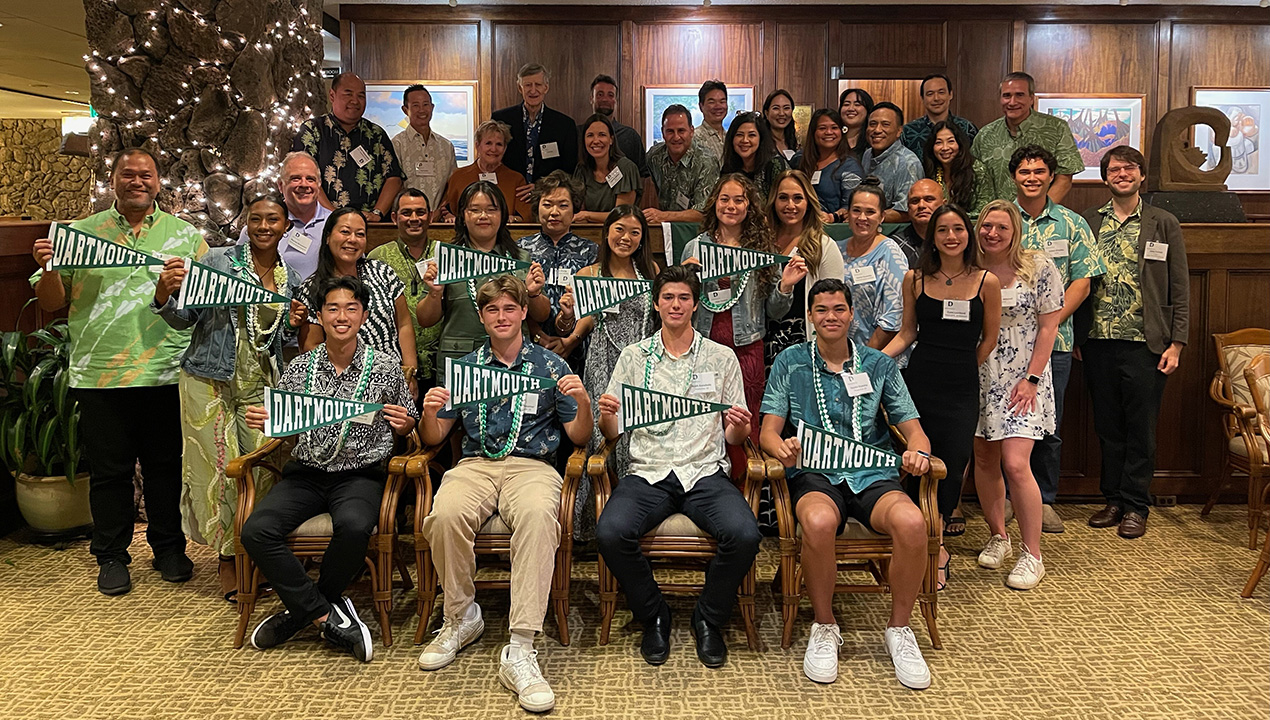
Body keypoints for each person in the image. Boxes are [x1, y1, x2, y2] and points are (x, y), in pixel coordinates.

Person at [30, 147, 207, 596]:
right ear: (113, 180)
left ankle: (169, 548)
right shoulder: (79, 235)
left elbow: (206, 301)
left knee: (166, 468)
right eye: (128, 174)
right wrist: (49, 267)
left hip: (166, 369)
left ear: (158, 182)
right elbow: (52, 300)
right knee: (110, 473)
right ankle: (111, 556)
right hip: (100, 372)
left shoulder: (185, 236)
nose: (137, 181)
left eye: (146, 174)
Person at [417, 274, 591, 714]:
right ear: (481, 316)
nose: (501, 316)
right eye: (492, 310)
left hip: (533, 466)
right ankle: (461, 616)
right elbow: (435, 434)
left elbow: (580, 435)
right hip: (476, 463)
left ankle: (521, 645)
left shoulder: (552, 367)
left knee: (537, 518)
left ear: (521, 313)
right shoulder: (466, 370)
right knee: (443, 516)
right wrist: (430, 411)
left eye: (509, 308)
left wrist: (583, 403)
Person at [760, 277, 935, 689]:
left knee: (913, 523)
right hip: (815, 473)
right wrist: (779, 448)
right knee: (818, 523)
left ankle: (899, 630)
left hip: (871, 472)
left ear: (852, 314)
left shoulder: (879, 365)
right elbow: (767, 432)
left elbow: (917, 432)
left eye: (839, 309)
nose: (831, 317)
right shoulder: (791, 361)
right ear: (810, 317)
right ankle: (824, 626)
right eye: (821, 310)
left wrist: (919, 453)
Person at [241, 275, 417, 662]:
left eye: (351, 308)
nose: (342, 316)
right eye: (333, 309)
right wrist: (272, 423)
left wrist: (406, 424)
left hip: (361, 474)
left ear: (365, 315)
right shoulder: (300, 368)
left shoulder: (386, 368)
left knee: (354, 526)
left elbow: (411, 419)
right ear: (320, 315)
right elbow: (285, 427)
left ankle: (301, 611)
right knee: (256, 530)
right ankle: (323, 613)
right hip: (306, 471)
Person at [595, 265, 761, 669]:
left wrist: (738, 429)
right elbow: (613, 430)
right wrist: (607, 415)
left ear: (695, 303)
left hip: (704, 470)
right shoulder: (634, 357)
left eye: (683, 297)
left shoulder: (720, 358)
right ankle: (653, 613)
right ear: (656, 303)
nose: (675, 304)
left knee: (745, 535)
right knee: (610, 532)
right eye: (668, 297)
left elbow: (735, 437)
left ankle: (710, 617)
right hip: (649, 470)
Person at [152, 194, 306, 601]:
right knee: (217, 475)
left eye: (272, 219)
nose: (263, 226)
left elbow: (271, 340)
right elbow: (184, 319)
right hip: (208, 381)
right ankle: (227, 560)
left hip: (259, 385)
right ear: (246, 223)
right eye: (256, 219)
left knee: (263, 468)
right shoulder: (219, 261)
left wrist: (291, 323)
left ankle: (256, 552)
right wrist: (163, 294)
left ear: (285, 225)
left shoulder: (288, 276)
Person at [883, 204, 1002, 588]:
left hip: (962, 386)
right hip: (921, 382)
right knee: (916, 460)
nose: (951, 237)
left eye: (958, 229)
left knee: (951, 463)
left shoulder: (987, 281)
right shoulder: (915, 279)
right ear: (932, 238)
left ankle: (936, 547)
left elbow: (990, 340)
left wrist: (964, 365)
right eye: (942, 231)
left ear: (968, 235)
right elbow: (907, 333)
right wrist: (871, 363)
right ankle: (913, 540)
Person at [1078, 146, 1189, 539]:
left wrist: (1176, 343)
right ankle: (1112, 499)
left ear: (1142, 176)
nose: (1121, 174)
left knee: (1140, 426)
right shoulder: (1089, 221)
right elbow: (1078, 279)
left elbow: (1179, 285)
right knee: (1107, 426)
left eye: (1129, 168)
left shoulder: (1163, 222)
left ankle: (1136, 505)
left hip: (1147, 342)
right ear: (1104, 177)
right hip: (1097, 340)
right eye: (1113, 169)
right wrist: (1075, 333)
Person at [1012, 145, 1105, 533]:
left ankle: (1045, 499)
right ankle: (1005, 498)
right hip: (1006, 344)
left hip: (1057, 343)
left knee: (1048, 425)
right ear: (1013, 176)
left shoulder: (1072, 224)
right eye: (1024, 171)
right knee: (1004, 423)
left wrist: (1050, 322)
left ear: (1052, 177)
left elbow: (1083, 281)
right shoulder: (1000, 221)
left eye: (1039, 171)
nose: (1031, 178)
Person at [972, 200, 1063, 591]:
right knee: (984, 457)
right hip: (979, 373)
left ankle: (1032, 554)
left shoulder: (1038, 267)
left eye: (1001, 228)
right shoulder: (970, 268)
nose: (992, 233)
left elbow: (1049, 327)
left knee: (1015, 461)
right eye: (986, 226)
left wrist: (1032, 378)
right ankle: (999, 535)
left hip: (1023, 379)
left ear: (1015, 232)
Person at [555, 206, 661, 541]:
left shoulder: (651, 271)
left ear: (642, 238)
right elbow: (579, 323)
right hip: (602, 362)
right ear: (607, 232)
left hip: (643, 366)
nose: (625, 238)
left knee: (638, 440)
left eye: (634, 232)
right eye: (619, 229)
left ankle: (637, 521)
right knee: (600, 439)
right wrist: (567, 322)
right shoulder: (589, 273)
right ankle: (589, 524)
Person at [682, 174, 797, 454]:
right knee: (703, 418)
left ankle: (746, 487)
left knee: (743, 419)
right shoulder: (695, 247)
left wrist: (786, 285)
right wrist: (685, 276)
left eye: (739, 199)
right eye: (724, 199)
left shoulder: (761, 249)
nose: (731, 206)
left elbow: (774, 311)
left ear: (749, 206)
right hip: (703, 348)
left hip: (747, 349)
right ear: (714, 203)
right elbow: (679, 305)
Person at [417, 181, 551, 368]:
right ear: (463, 216)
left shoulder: (521, 258)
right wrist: (434, 293)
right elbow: (425, 320)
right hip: (460, 358)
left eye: (491, 209)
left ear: (502, 215)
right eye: (475, 210)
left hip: (513, 359)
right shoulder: (447, 259)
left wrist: (534, 293)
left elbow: (541, 315)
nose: (483, 216)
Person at [296, 209, 418, 399]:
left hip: (391, 380)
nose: (352, 239)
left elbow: (403, 324)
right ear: (328, 237)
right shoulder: (311, 288)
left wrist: (411, 372)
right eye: (345, 232)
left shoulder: (382, 272)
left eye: (360, 234)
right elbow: (312, 345)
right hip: (340, 389)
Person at [292, 72, 404, 220]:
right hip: (322, 223)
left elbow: (394, 177)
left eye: (361, 96)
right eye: (348, 94)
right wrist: (333, 215)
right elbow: (305, 178)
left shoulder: (376, 134)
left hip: (369, 224)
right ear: (332, 96)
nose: (355, 101)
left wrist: (377, 213)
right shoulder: (312, 131)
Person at [765, 169, 847, 369]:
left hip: (807, 348)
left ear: (808, 203)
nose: (790, 205)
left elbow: (833, 305)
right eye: (783, 198)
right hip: (763, 346)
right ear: (774, 201)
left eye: (798, 198)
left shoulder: (824, 246)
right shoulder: (761, 244)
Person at [517, 171, 598, 367]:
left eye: (563, 205)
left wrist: (571, 341)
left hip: (577, 345)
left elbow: (595, 304)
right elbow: (515, 297)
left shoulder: (590, 250)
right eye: (547, 205)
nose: (554, 212)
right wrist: (537, 335)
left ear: (574, 210)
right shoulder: (521, 248)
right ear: (537, 208)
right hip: (531, 343)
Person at [367, 189, 442, 388]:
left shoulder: (445, 254)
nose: (414, 218)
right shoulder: (377, 257)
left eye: (420, 212)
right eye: (406, 213)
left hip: (440, 360)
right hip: (394, 362)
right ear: (394, 217)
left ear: (431, 216)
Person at [971, 72, 1083, 203]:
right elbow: (976, 180)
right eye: (1007, 96)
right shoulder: (985, 135)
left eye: (1019, 95)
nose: (1012, 102)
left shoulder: (1056, 128)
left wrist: (1039, 212)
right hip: (997, 218)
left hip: (1041, 218)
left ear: (1031, 98)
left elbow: (1064, 178)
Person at [836, 179, 910, 361]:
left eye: (870, 212)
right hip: (840, 355)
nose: (862, 218)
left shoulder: (890, 252)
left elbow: (894, 315)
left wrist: (863, 358)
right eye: (856, 210)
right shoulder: (836, 249)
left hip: (877, 357)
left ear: (881, 217)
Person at [236, 151, 331, 280]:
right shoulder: (260, 228)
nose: (304, 184)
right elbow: (236, 271)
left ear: (319, 185)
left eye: (310, 179)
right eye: (295, 178)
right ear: (280, 185)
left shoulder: (336, 223)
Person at [492, 63, 578, 203]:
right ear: (520, 88)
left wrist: (541, 186)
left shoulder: (565, 125)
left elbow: (569, 170)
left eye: (538, 85)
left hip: (549, 197)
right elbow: (494, 159)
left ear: (546, 87)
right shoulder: (501, 120)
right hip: (509, 195)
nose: (533, 90)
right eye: (527, 85)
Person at [437, 120, 534, 222]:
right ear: (477, 146)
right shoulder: (458, 176)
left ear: (505, 148)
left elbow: (526, 217)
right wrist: (449, 217)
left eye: (499, 144)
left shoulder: (516, 179)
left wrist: (513, 219)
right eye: (488, 143)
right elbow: (446, 208)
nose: (493, 149)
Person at [644, 104, 718, 225]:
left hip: (696, 231)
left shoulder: (706, 162)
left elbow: (704, 213)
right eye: (670, 131)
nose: (676, 137)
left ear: (691, 131)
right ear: (663, 133)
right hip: (665, 230)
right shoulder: (654, 157)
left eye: (681, 131)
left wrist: (663, 216)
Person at [392, 84, 459, 213]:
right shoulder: (397, 144)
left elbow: (451, 185)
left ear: (432, 107)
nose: (422, 110)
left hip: (438, 220)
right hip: (408, 219)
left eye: (425, 104)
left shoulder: (446, 146)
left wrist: (439, 212)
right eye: (416, 105)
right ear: (405, 110)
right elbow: (395, 185)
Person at [792, 109, 864, 224]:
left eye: (834, 128)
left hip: (833, 230)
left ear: (841, 131)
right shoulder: (799, 160)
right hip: (799, 226)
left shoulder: (850, 166)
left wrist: (832, 217)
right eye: (822, 128)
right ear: (813, 132)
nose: (829, 132)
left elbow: (852, 206)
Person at [861, 102, 923, 223]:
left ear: (899, 131)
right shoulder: (867, 155)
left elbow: (906, 212)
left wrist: (866, 216)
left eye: (885, 124)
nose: (877, 130)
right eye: (872, 124)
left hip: (895, 234)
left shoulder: (908, 162)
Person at [572, 114, 640, 223]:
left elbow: (621, 215)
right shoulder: (582, 169)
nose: (596, 140)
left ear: (611, 139)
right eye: (590, 135)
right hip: (588, 233)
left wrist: (587, 216)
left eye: (602, 135)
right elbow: (579, 213)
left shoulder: (626, 168)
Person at [922, 121, 992, 220]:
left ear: (959, 144)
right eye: (938, 142)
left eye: (951, 141)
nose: (945, 148)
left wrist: (951, 217)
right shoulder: (931, 171)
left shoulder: (977, 169)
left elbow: (985, 210)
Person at [586, 74, 648, 182]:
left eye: (610, 95)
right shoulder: (578, 134)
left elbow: (643, 175)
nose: (605, 99)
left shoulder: (630, 136)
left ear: (616, 100)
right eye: (600, 94)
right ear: (591, 98)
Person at [900, 73, 979, 157]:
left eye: (941, 92)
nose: (936, 98)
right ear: (922, 98)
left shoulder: (967, 129)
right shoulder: (908, 132)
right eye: (930, 94)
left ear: (950, 94)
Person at [720, 112, 789, 200]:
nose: (745, 140)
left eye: (751, 135)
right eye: (739, 135)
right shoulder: (728, 168)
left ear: (761, 139)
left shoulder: (775, 165)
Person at [892, 179, 944, 268]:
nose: (921, 205)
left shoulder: (955, 241)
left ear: (944, 205)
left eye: (929, 199)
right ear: (908, 208)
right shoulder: (894, 247)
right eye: (915, 201)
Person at [692, 79, 730, 169]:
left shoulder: (730, 136)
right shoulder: (694, 138)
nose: (718, 106)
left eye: (722, 101)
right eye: (712, 102)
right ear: (701, 106)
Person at [838, 87, 875, 163]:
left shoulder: (873, 140)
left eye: (857, 104)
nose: (851, 108)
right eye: (846, 104)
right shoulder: (833, 138)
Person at [763, 89, 799, 160]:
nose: (782, 113)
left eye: (786, 108)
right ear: (766, 113)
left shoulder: (793, 142)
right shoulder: (760, 142)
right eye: (776, 108)